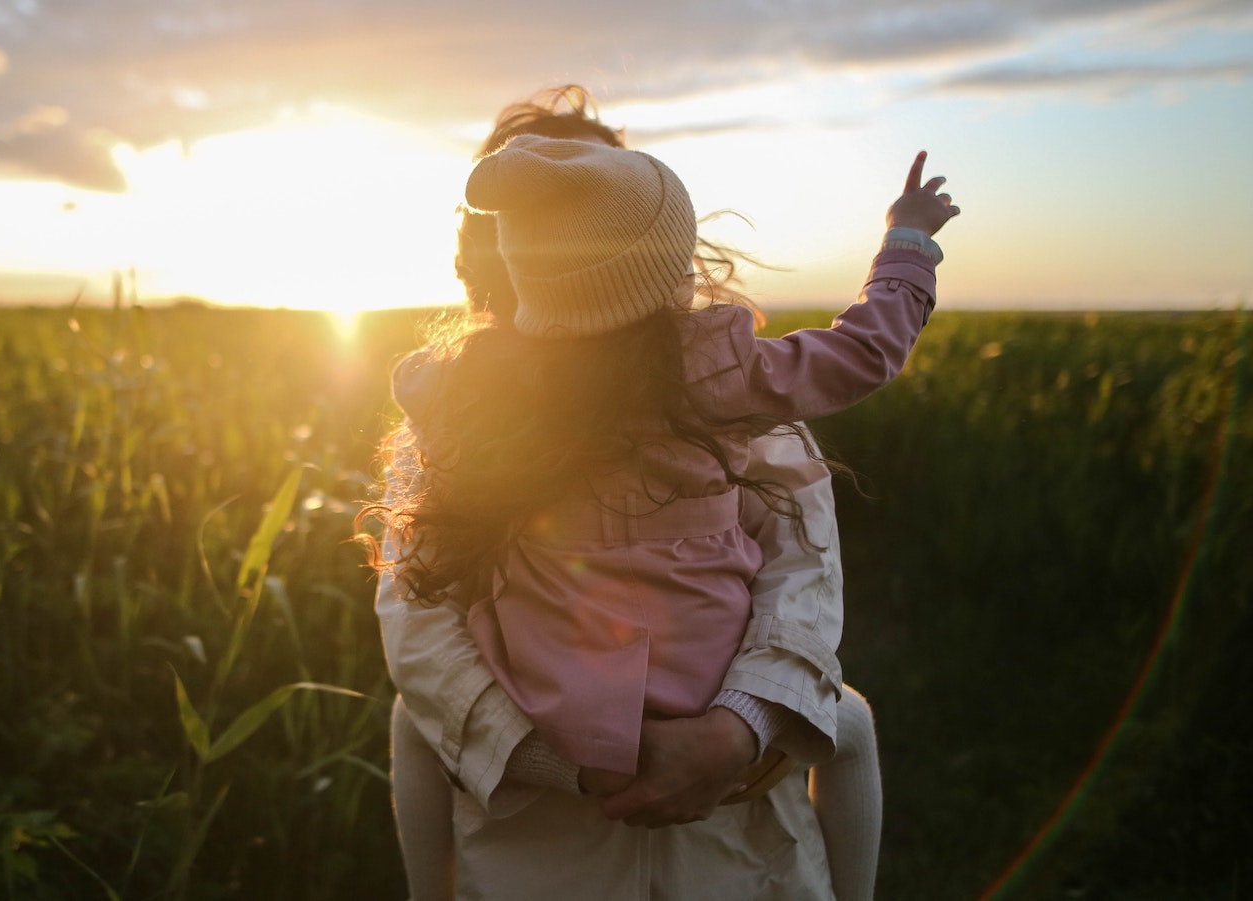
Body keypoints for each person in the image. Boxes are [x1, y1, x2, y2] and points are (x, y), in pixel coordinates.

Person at [369, 88, 956, 900]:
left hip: (738, 839)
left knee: (844, 716)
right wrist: (908, 247)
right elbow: (419, 622)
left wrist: (737, 730)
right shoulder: (719, 380)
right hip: (534, 846)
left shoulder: (471, 396)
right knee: (848, 720)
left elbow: (803, 574)